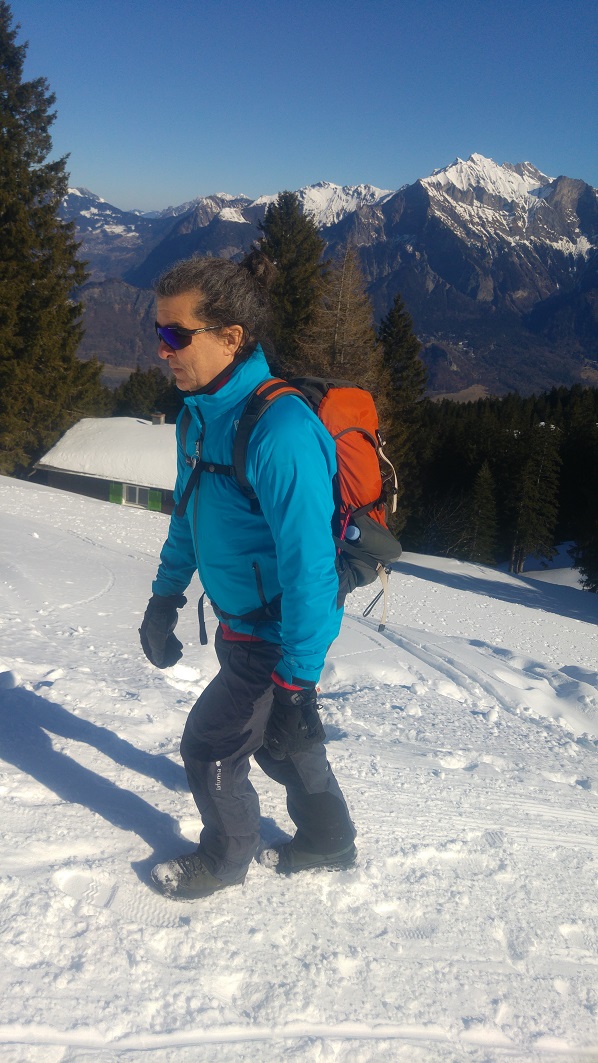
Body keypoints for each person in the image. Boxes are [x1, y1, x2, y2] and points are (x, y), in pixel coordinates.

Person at [140, 251, 356, 900]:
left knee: (210, 746)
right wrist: (165, 595)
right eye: (158, 332)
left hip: (277, 632)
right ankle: (329, 838)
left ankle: (225, 856)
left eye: (176, 334)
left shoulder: (279, 432)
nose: (162, 350)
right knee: (279, 745)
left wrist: (297, 682)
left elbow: (311, 569)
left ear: (231, 337)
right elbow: (189, 515)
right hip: (240, 620)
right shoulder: (199, 416)